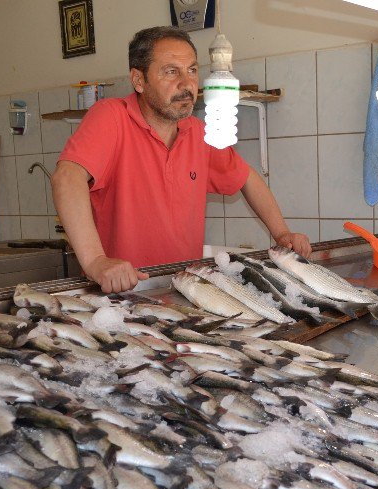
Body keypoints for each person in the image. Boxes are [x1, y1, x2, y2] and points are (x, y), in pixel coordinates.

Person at [52, 26, 312, 294]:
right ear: (139, 80)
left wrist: (282, 233)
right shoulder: (111, 117)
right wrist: (96, 261)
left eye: (192, 70)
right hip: (120, 295)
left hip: (182, 290)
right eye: (171, 71)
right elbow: (66, 177)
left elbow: (246, 177)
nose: (186, 83)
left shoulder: (197, 132)